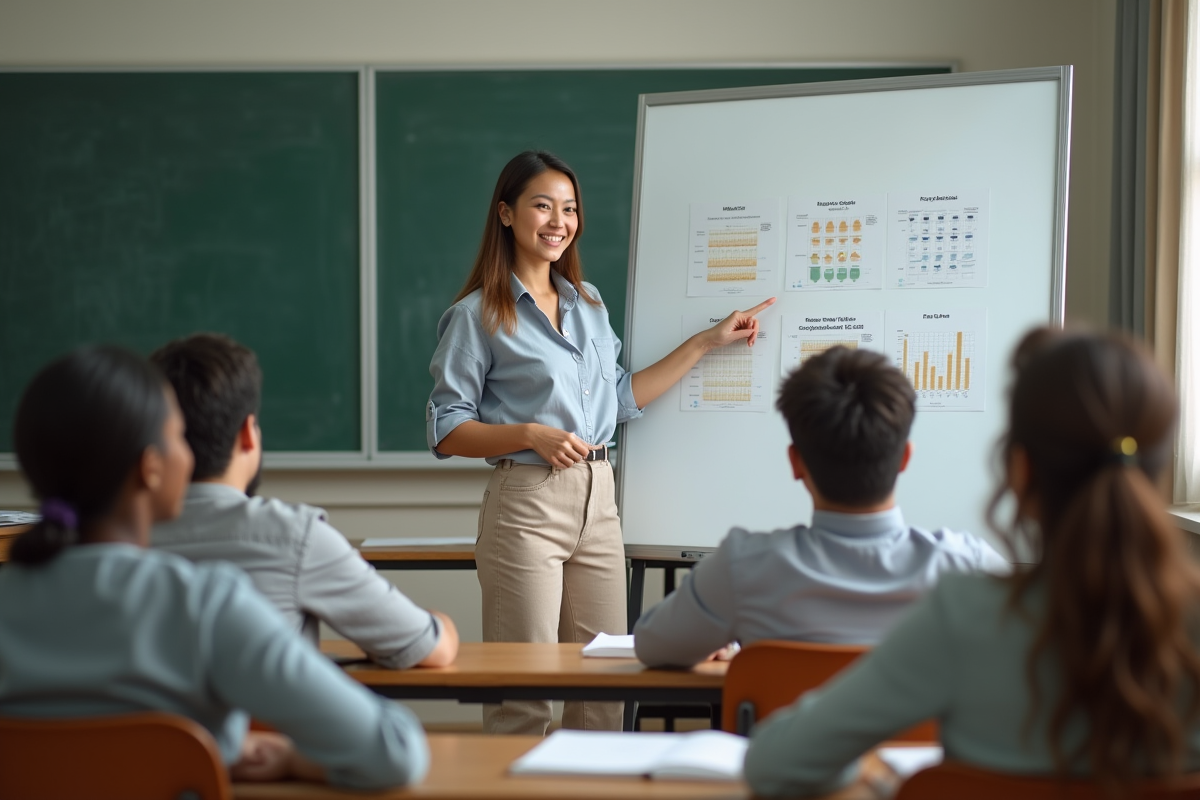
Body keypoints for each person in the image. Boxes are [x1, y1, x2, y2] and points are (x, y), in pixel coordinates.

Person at [744, 328, 1200, 797]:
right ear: (1156, 467)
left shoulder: (964, 616)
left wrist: (871, 773)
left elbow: (776, 764)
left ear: (1020, 470)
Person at [427, 149, 774, 734]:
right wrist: (529, 434)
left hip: (600, 499)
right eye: (543, 206)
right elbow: (447, 428)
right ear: (506, 213)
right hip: (527, 504)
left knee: (606, 689)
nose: (559, 221)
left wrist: (705, 343)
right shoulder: (476, 315)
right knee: (525, 694)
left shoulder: (587, 303)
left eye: (569, 208)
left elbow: (618, 398)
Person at [0, 346, 428, 789]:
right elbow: (395, 752)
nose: (190, 455)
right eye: (179, 435)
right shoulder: (206, 605)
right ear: (150, 468)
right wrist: (279, 757)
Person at [634, 346, 1006, 667]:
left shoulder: (743, 567)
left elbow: (652, 645)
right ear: (904, 458)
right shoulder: (969, 567)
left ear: (795, 462)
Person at [150, 333, 457, 669]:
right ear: (248, 434)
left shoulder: (116, 541)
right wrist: (438, 621)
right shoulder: (295, 537)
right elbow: (429, 647)